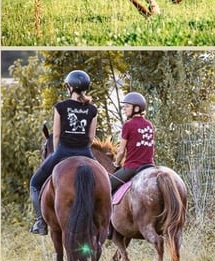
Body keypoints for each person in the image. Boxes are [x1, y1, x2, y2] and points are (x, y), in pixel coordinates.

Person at [29, 70, 98, 235]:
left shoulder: (60, 107)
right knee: (107, 182)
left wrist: (57, 151)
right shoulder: (92, 109)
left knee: (35, 183)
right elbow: (91, 137)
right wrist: (83, 148)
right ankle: (106, 222)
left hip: (63, 151)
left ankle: (40, 222)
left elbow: (57, 134)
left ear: (70, 87)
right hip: (85, 153)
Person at [110, 91, 156, 195]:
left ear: (136, 108)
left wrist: (116, 163)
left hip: (132, 167)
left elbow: (121, 151)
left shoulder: (128, 125)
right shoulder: (149, 124)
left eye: (127, 106)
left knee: (107, 185)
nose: (124, 109)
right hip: (149, 166)